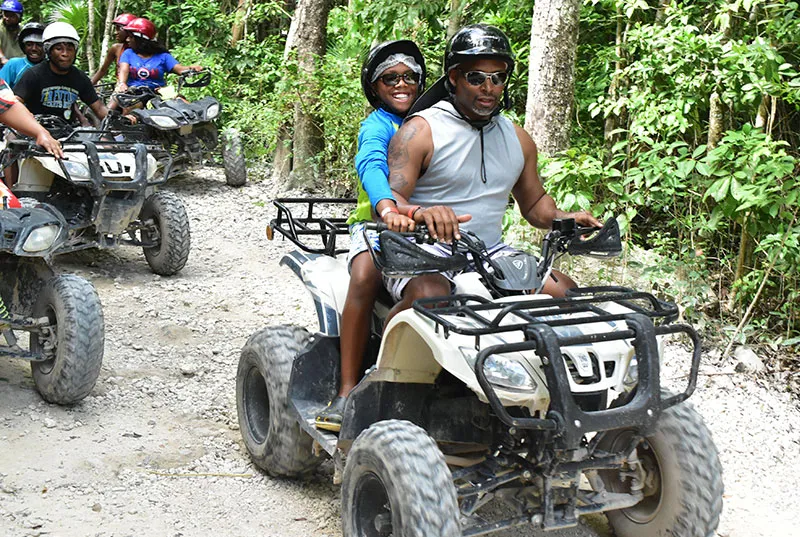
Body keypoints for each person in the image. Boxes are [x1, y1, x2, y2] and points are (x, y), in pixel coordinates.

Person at [384, 24, 602, 321]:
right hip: (421, 252)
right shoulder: (421, 131)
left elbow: (535, 204)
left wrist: (565, 218)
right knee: (430, 296)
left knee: (567, 293)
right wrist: (421, 212)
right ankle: (383, 365)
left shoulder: (518, 139)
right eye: (476, 78)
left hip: (490, 252)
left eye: (498, 78)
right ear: (453, 77)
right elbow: (388, 202)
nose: (489, 88)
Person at [314, 40, 424, 432]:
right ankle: (346, 390)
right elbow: (371, 164)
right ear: (375, 87)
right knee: (364, 277)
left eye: (410, 77)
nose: (402, 84)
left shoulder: (432, 120)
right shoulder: (377, 124)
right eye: (390, 78)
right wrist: (386, 207)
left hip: (427, 228)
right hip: (376, 224)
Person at [13, 22, 108, 123]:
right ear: (48, 51)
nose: (65, 54)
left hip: (68, 133)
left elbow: (98, 108)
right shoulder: (34, 74)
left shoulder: (79, 77)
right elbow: (15, 102)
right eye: (59, 49)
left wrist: (118, 122)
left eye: (70, 49)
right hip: (35, 131)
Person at [0, 77, 63, 189]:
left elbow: (9, 105)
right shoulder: (33, 74)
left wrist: (42, 133)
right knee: (11, 143)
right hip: (14, 128)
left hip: (54, 125)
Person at [115, 17, 203, 93]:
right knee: (116, 107)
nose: (127, 40)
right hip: (134, 93)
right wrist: (122, 83)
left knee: (182, 103)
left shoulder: (163, 56)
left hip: (158, 94)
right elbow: (123, 70)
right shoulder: (128, 53)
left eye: (131, 37)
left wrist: (192, 68)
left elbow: (179, 69)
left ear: (140, 39)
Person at [90, 12, 136, 85]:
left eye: (118, 29)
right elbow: (103, 70)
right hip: (121, 88)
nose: (115, 32)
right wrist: (88, 86)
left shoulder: (141, 50)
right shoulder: (116, 48)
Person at [0, 21, 43, 87]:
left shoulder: (51, 67)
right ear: (23, 46)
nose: (34, 48)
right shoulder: (13, 65)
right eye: (29, 44)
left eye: (39, 45)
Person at [0, 0, 23, 66]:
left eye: (11, 16)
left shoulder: (21, 29)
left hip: (19, 65)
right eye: (6, 15)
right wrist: (3, 59)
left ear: (19, 17)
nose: (7, 19)